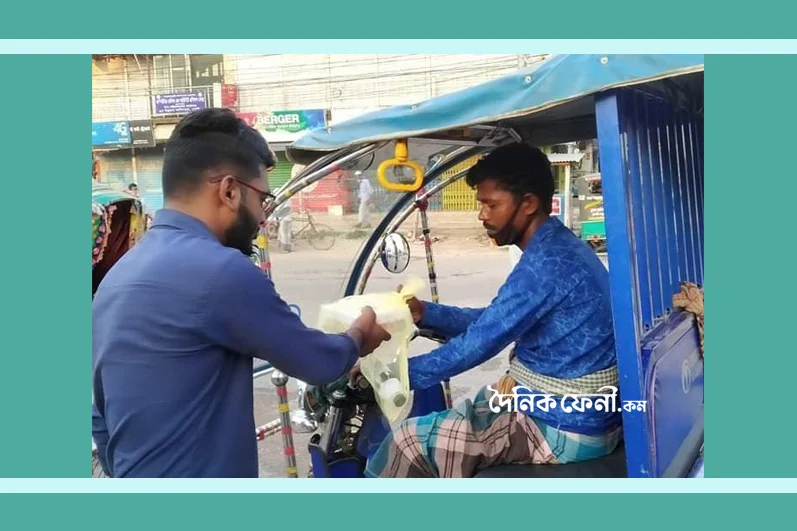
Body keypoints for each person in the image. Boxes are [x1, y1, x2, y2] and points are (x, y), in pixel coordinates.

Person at [91, 108, 391, 478]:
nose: (264, 218)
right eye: (262, 199)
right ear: (230, 191)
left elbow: (100, 416)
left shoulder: (117, 277)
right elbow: (318, 362)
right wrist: (359, 334)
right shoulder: (221, 271)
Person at [363, 143, 621, 478]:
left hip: (562, 426)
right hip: (568, 411)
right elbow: (495, 321)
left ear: (528, 204)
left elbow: (477, 345)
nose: (482, 215)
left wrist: (386, 378)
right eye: (481, 204)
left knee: (407, 441)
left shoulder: (546, 265)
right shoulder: (557, 248)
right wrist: (426, 313)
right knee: (473, 406)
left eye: (491, 204)